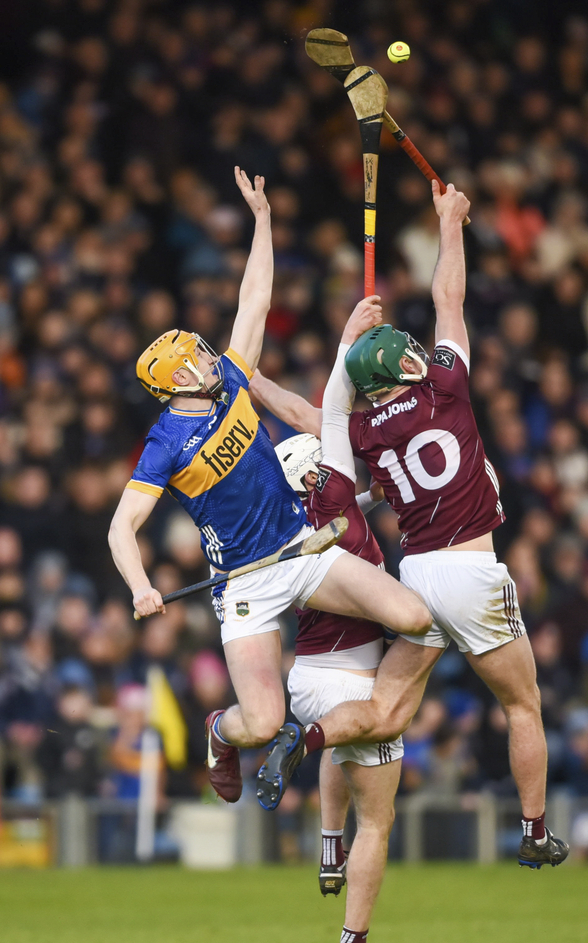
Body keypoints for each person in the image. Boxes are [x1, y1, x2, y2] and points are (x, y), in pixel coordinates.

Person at [255, 180, 569, 871]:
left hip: (417, 578)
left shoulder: (362, 429)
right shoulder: (446, 387)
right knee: (523, 703)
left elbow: (311, 416)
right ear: (403, 364)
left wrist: (248, 378)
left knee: (387, 712)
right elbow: (448, 298)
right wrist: (450, 221)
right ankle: (534, 830)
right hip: (472, 571)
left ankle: (306, 737)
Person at [108, 169, 431, 806]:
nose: (208, 357)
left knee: (416, 617)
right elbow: (122, 527)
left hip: (300, 548)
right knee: (259, 723)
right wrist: (140, 586)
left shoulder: (231, 379)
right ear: (177, 382)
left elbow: (254, 297)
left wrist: (263, 221)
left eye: (202, 352)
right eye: (195, 360)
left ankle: (380, 713)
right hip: (244, 584)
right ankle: (218, 732)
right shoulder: (164, 445)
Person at [250, 310, 401, 943]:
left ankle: (328, 844)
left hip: (306, 678)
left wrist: (250, 379)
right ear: (317, 470)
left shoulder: (282, 530)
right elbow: (331, 407)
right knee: (382, 820)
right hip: (355, 680)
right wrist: (348, 342)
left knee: (337, 746)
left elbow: (347, 506)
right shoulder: (336, 493)